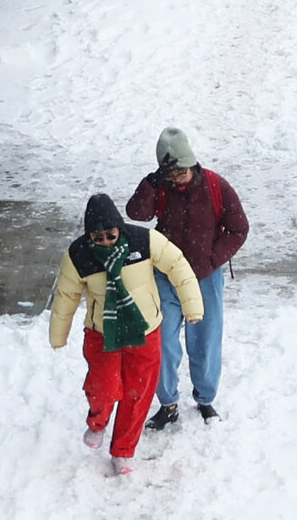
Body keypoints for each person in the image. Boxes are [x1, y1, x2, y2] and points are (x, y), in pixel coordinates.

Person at [51, 191, 202, 475]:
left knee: (138, 393)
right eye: (98, 238)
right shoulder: (78, 254)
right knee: (104, 389)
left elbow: (177, 265)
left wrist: (192, 305)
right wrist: (59, 334)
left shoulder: (143, 241)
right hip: (102, 333)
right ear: (89, 237)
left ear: (119, 227)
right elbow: (65, 296)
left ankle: (123, 451)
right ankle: (97, 423)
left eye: (110, 235)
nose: (106, 242)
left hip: (145, 330)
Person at [125, 126, 249, 430]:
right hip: (165, 275)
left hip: (204, 278)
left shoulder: (217, 187)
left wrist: (210, 259)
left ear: (192, 163)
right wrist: (151, 183)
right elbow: (136, 213)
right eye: (171, 174)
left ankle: (205, 399)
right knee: (162, 339)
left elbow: (238, 229)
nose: (177, 180)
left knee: (205, 340)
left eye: (181, 173)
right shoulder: (162, 187)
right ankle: (167, 403)